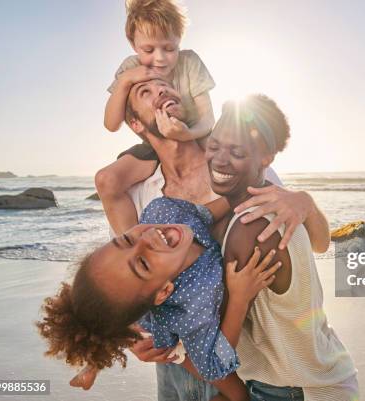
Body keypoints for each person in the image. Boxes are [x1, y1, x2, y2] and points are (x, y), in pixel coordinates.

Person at [86, 77, 332, 400]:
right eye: (145, 92)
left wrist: (305, 201)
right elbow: (123, 283)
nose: (159, 92)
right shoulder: (145, 194)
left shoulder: (234, 166)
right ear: (135, 124)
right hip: (175, 366)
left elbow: (312, 245)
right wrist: (132, 336)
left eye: (165, 86)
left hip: (236, 362)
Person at [37, 194, 281, 401]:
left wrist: (238, 196)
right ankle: (94, 364)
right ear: (164, 291)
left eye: (127, 239)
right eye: (142, 263)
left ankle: (92, 365)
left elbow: (203, 215)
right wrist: (240, 297)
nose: (148, 237)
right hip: (166, 332)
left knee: (114, 324)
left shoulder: (161, 212)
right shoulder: (192, 307)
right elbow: (214, 363)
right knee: (235, 393)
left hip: (143, 302)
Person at [207, 94, 359, 401]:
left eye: (235, 151)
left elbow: (220, 350)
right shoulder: (273, 200)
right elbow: (321, 243)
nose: (219, 159)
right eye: (213, 146)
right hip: (316, 373)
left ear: (266, 158)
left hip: (297, 389)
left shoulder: (251, 228)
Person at [96, 0, 216, 235]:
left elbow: (208, 119)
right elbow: (111, 124)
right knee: (106, 180)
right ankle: (133, 247)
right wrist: (126, 81)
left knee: (231, 159)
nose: (160, 59)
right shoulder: (130, 68)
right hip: (156, 144)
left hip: (196, 135)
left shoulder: (190, 62)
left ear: (179, 39)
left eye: (169, 48)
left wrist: (187, 133)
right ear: (133, 44)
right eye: (149, 50)